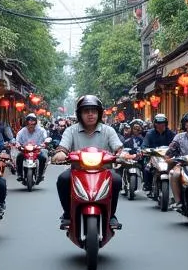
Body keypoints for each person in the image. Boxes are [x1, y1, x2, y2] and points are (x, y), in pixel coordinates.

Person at [52, 95, 124, 230]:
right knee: (63, 179)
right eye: (86, 111)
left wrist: (122, 154)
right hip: (77, 171)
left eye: (94, 111)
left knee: (117, 180)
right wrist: (60, 153)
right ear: (80, 114)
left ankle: (112, 214)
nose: (90, 114)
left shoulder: (108, 130)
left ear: (99, 113)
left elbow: (118, 148)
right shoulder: (71, 130)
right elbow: (63, 147)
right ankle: (68, 213)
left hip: (104, 171)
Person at [141, 114, 175, 192]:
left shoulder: (171, 134)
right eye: (158, 123)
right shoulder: (150, 134)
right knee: (147, 168)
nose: (160, 125)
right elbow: (144, 145)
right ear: (155, 124)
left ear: (165, 124)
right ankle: (148, 185)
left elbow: (176, 144)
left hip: (168, 157)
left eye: (162, 123)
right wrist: (145, 150)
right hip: (154, 156)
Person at [15, 113, 49, 182]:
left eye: (33, 124)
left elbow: (46, 138)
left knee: (43, 158)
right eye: (29, 124)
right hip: (25, 150)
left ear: (35, 124)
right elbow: (17, 140)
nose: (31, 126)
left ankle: (40, 175)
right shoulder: (22, 131)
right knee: (19, 157)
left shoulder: (41, 130)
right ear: (26, 124)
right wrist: (17, 144)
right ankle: (20, 174)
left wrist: (45, 142)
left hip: (37, 150)